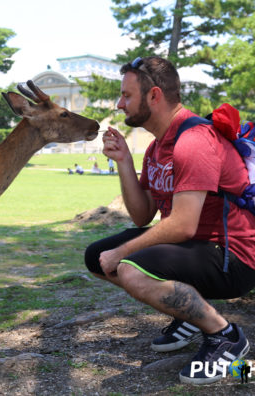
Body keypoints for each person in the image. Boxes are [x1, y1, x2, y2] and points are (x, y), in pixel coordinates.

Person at [84, 56, 255, 385]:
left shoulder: (193, 142)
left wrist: (122, 254)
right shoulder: (157, 147)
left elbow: (182, 225)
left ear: (154, 96)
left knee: (131, 269)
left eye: (127, 95)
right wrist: (123, 162)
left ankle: (226, 336)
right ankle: (191, 314)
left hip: (234, 256)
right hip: (196, 247)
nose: (120, 104)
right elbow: (142, 215)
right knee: (96, 257)